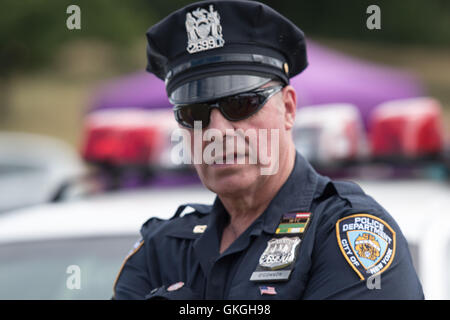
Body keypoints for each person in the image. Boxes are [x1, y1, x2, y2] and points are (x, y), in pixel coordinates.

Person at [113, 0, 424, 299]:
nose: (218, 132)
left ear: (288, 108)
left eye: (241, 104)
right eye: (195, 114)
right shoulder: (163, 250)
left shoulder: (346, 234)